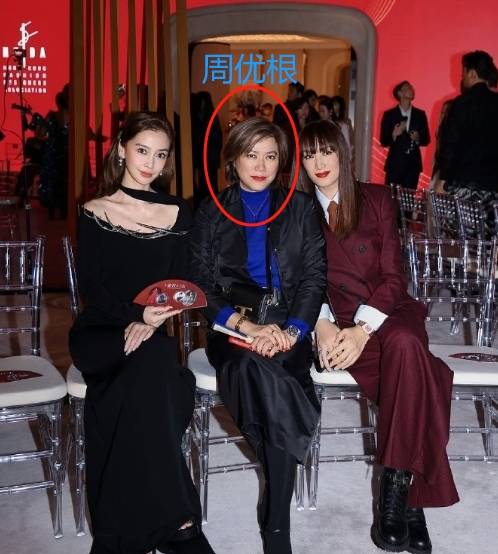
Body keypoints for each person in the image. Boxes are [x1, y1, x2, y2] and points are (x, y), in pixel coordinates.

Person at [298, 120, 459, 554]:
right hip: (335, 325)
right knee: (418, 370)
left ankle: (393, 484)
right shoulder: (298, 211)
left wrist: (363, 328)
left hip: (388, 312)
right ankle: (411, 501)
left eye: (326, 151)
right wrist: (323, 323)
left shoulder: (375, 198)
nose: (319, 162)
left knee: (405, 343)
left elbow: (393, 276)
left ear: (343, 152)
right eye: (309, 154)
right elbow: (301, 282)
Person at [69, 112, 215, 554]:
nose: (151, 163)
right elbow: (93, 289)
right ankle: (180, 524)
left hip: (152, 333)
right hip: (102, 331)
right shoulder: (94, 211)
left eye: (161, 154)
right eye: (142, 150)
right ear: (121, 149)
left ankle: (122, 533)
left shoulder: (177, 211)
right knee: (156, 377)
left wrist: (152, 318)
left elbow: (184, 282)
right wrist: (136, 315)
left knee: (152, 372)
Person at [190, 117, 326, 554]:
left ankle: (275, 514)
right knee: (257, 367)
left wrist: (292, 331)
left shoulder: (301, 207)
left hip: (289, 327)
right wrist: (247, 327)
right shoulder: (211, 209)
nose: (262, 166)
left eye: (270, 156)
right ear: (233, 159)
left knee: (273, 370)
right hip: (233, 325)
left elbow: (314, 278)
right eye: (251, 155)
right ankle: (277, 526)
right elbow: (200, 285)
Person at [436, 50, 498, 234]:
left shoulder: (461, 104)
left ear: (472, 73)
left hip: (463, 185)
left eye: (463, 73)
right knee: (489, 241)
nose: (461, 78)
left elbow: (450, 144)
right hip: (493, 188)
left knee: (460, 239)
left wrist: (443, 179)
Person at [380, 81, 430, 189]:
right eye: (408, 88)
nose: (412, 89)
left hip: (413, 165)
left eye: (412, 87)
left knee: (409, 197)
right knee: (391, 196)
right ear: (400, 93)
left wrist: (418, 138)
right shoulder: (389, 115)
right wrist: (393, 135)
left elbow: (426, 139)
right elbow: (383, 141)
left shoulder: (420, 115)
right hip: (395, 164)